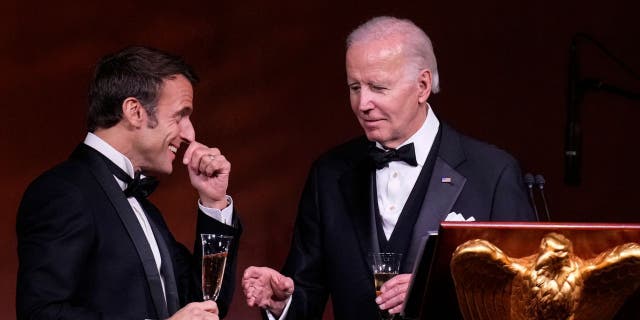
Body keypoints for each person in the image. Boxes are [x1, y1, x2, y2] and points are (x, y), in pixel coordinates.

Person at [241, 16, 536, 319]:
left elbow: (523, 295)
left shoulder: (493, 173)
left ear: (422, 86)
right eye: (355, 87)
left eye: (378, 87)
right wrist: (281, 303)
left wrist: (436, 293)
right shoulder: (328, 174)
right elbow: (306, 289)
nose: (362, 103)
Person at [16, 46, 241, 320]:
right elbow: (41, 313)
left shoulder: (144, 209)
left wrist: (214, 202)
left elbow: (207, 303)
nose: (190, 134)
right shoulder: (62, 192)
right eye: (180, 115)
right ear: (135, 111)